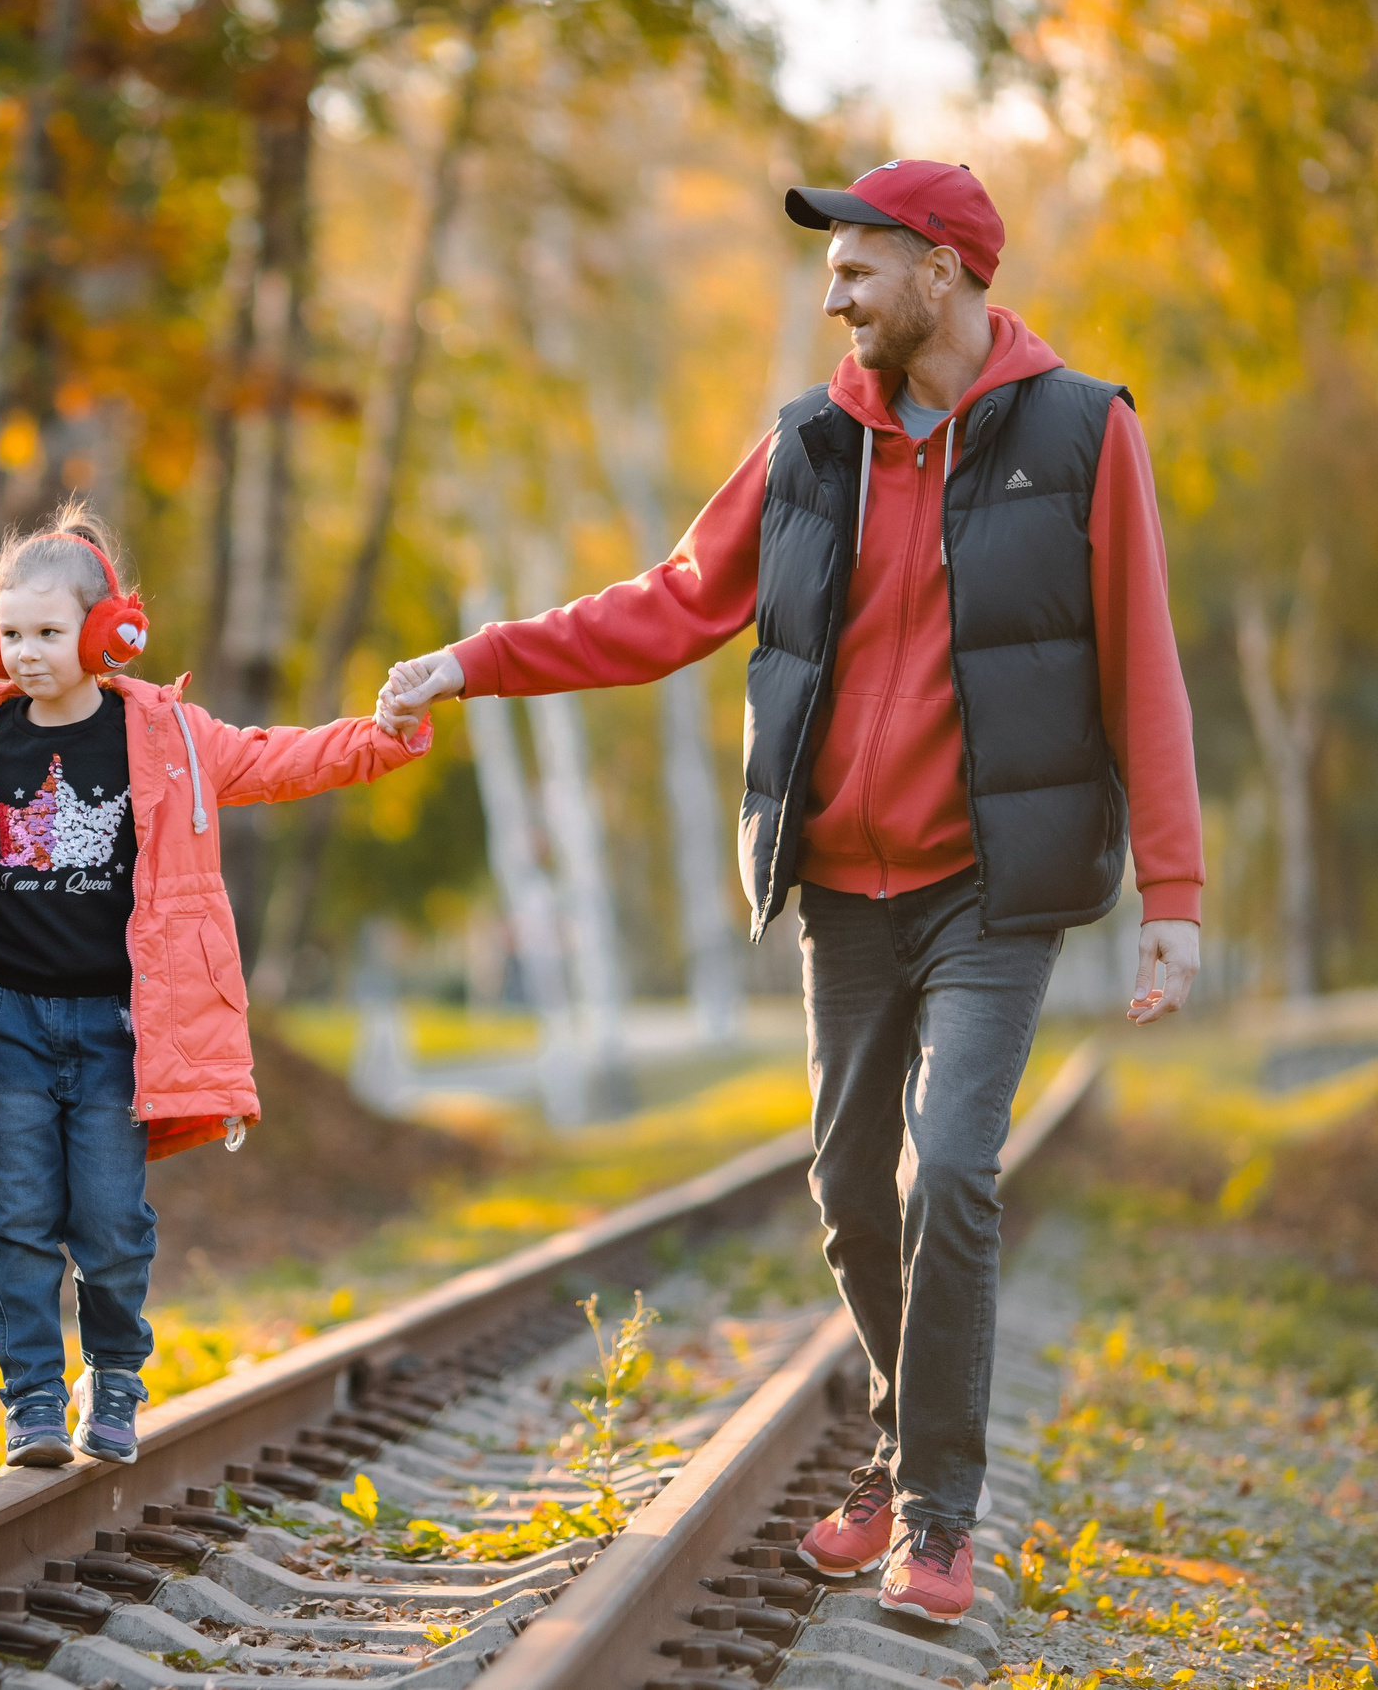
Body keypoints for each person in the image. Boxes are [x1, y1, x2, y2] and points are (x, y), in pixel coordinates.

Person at [376, 161, 1203, 1621]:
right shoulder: (815, 443)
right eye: (831, 267)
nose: (833, 290)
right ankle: (895, 1450)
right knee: (846, 1189)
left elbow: (1144, 656)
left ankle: (939, 1509)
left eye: (859, 264)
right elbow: (670, 600)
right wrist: (478, 655)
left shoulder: (1084, 433)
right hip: (841, 883)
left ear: (943, 269)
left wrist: (1173, 892)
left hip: (992, 884)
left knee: (948, 1166)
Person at [0, 503, 429, 1467]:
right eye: (12, 633)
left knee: (112, 1224)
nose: (28, 653)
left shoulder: (168, 737)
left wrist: (380, 735)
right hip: (7, 1025)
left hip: (121, 1028)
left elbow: (282, 758)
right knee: (18, 1217)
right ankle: (32, 1398)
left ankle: (113, 1374)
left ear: (108, 631)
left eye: (49, 632)